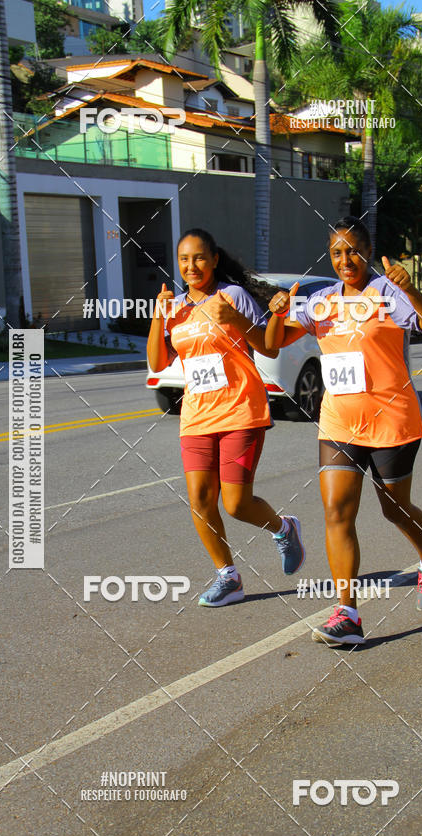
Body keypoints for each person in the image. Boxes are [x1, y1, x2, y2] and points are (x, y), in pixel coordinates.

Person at [265, 216, 422, 646]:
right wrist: (276, 313)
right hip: (339, 422)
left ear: (367, 251)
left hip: (392, 421)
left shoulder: (388, 293)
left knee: (394, 508)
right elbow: (272, 343)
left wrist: (412, 289)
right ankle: (347, 614)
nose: (345, 260)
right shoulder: (323, 300)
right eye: (336, 253)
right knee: (337, 512)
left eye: (353, 251)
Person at [147, 228, 305, 607]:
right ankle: (228, 577)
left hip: (240, 411)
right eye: (184, 260)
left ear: (215, 259)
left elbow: (266, 344)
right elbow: (157, 362)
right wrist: (158, 317)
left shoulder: (231, 296)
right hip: (197, 417)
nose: (191, 266)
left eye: (199, 258)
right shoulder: (177, 308)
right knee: (201, 500)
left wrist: (234, 317)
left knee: (235, 503)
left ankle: (283, 529)